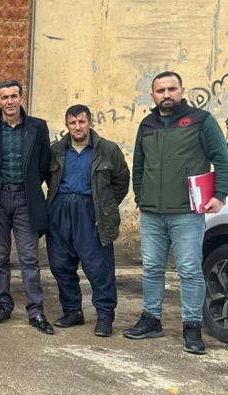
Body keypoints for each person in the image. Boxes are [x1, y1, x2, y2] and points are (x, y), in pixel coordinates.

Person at [124, 71, 228, 354]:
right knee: (153, 268)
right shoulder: (147, 124)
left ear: (182, 91)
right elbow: (140, 164)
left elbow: (222, 158)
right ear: (153, 95)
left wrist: (219, 195)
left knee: (190, 270)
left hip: (187, 212)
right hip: (152, 214)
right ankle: (151, 319)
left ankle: (191, 327)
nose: (166, 95)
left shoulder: (201, 121)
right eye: (160, 90)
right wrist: (140, 199)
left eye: (171, 89)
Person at [0, 79, 54, 334]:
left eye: (13, 96)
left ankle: (36, 311)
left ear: (21, 98)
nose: (9, 101)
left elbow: (43, 164)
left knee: (29, 258)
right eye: (4, 97)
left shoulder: (37, 127)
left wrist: (29, 188)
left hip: (25, 200)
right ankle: (4, 304)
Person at [46, 104, 129, 337]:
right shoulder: (56, 150)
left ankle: (104, 316)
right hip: (61, 209)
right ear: (67, 126)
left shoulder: (107, 150)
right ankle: (73, 311)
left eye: (82, 121)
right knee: (61, 264)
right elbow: (48, 177)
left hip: (91, 211)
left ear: (90, 122)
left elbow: (122, 180)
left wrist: (105, 206)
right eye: (73, 123)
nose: (77, 127)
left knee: (98, 266)